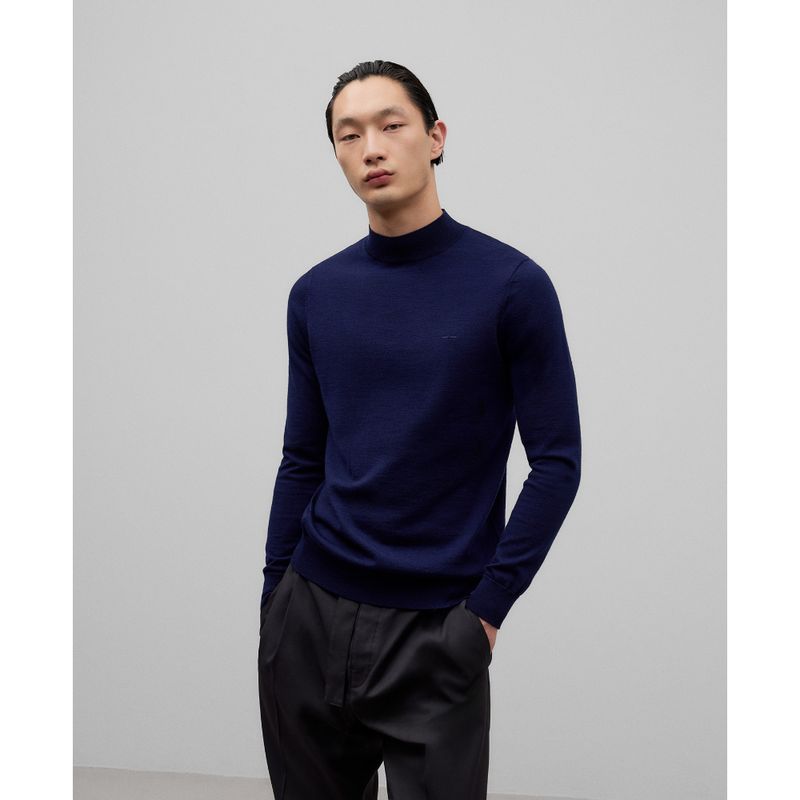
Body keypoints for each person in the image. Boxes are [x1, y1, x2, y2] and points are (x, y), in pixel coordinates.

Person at [257, 59, 582, 800]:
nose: (370, 148)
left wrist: (486, 612)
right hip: (309, 617)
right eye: (348, 135)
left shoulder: (512, 287)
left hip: (438, 631)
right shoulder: (316, 294)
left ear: (435, 138)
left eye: (390, 125)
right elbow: (301, 458)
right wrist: (275, 603)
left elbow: (558, 462)